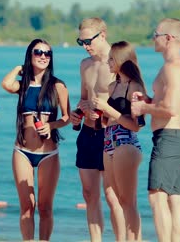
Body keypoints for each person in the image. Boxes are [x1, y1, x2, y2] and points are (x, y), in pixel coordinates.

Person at [1, 39, 70, 241]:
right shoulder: (22, 85)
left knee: (45, 207)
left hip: (48, 153)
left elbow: (67, 117)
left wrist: (51, 126)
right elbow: (5, 84)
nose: (43, 56)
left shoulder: (57, 86)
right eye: (38, 52)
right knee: (26, 206)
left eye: (47, 53)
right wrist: (19, 68)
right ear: (30, 55)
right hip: (22, 151)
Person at [131, 18, 180, 242]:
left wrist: (142, 107)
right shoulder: (176, 66)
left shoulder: (172, 68)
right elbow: (166, 102)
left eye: (155, 34)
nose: (152, 38)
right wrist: (149, 99)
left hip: (169, 138)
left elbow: (171, 109)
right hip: (176, 138)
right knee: (173, 198)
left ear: (168, 38)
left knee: (157, 198)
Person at [69, 17, 120, 241]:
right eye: (81, 42)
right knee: (89, 194)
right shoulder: (85, 64)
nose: (86, 46)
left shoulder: (119, 62)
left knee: (112, 195)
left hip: (111, 134)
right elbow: (83, 98)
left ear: (103, 35)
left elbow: (128, 105)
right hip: (87, 134)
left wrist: (102, 111)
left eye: (89, 41)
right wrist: (77, 113)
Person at [92, 41, 146, 241]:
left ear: (122, 60)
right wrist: (97, 114)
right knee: (120, 199)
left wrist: (108, 110)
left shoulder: (136, 87)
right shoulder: (112, 86)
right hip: (109, 141)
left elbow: (137, 125)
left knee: (129, 201)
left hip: (126, 143)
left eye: (111, 59)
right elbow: (108, 120)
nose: (108, 62)